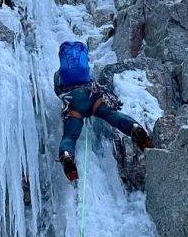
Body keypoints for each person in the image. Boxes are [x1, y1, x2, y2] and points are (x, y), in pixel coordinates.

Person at [54, 40, 154, 181]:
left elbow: (59, 93)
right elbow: (93, 81)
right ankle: (135, 128)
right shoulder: (85, 69)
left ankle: (66, 155)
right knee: (111, 115)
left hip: (73, 104)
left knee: (70, 137)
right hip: (92, 97)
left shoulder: (59, 75)